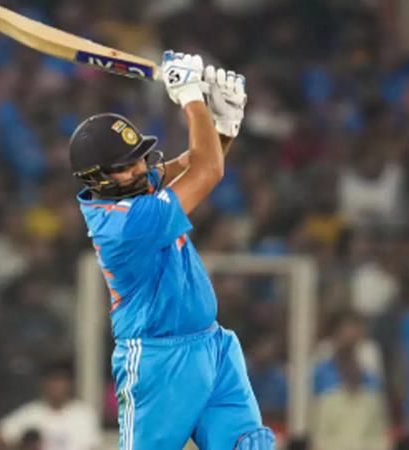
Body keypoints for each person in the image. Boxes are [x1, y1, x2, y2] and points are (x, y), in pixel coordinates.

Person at [70, 51, 274, 450]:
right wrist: (189, 97)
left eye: (138, 159)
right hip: (157, 361)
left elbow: (194, 161)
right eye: (124, 166)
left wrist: (223, 125)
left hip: (213, 346)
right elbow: (208, 171)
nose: (139, 169)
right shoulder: (124, 225)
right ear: (96, 179)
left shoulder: (133, 187)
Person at [0, 361, 101, 450]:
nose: (56, 387)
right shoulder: (31, 412)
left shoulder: (84, 414)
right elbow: (1, 435)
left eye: (60, 381)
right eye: (52, 381)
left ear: (69, 384)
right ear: (44, 384)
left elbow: (92, 446)